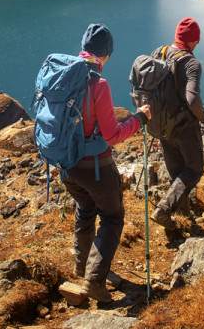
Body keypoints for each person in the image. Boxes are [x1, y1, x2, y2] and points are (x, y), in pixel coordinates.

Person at [61, 23, 151, 303]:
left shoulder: (62, 74)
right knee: (112, 217)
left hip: (66, 165)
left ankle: (81, 265)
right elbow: (111, 134)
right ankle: (94, 280)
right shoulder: (98, 84)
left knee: (85, 208)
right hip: (94, 167)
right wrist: (139, 119)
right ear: (106, 54)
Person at [148, 17, 204, 235]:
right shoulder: (191, 63)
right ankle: (164, 210)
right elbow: (193, 100)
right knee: (194, 169)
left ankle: (182, 218)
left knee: (176, 172)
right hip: (184, 127)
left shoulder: (159, 52)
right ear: (194, 40)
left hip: (161, 124)